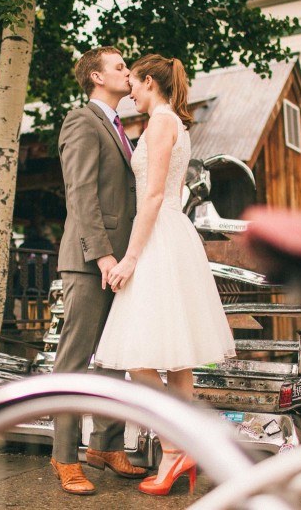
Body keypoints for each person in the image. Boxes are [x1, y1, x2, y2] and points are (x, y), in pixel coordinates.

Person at [94, 54, 236, 496]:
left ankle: (175, 447)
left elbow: (153, 196)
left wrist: (131, 258)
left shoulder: (159, 123)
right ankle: (182, 448)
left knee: (138, 355)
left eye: (134, 83)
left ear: (150, 82)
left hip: (157, 237)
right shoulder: (175, 122)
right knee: (176, 358)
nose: (130, 91)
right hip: (174, 235)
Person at [51, 46, 148, 495]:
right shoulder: (81, 121)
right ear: (95, 76)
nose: (128, 72)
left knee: (114, 360)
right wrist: (104, 256)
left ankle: (106, 445)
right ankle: (65, 457)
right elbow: (81, 194)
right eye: (120, 66)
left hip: (121, 262)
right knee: (73, 364)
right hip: (91, 262)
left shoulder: (120, 127)